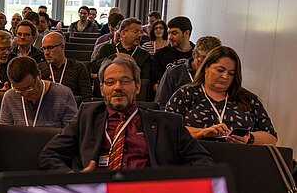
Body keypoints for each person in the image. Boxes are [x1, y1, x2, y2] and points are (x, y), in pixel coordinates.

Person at [39, 55, 213, 171]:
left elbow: (202, 161)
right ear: (101, 89)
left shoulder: (167, 123)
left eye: (125, 81)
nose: (117, 87)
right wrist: (74, 179)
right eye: (110, 82)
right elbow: (49, 155)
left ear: (137, 86)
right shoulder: (87, 115)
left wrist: (172, 188)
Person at [165, 46, 277, 144]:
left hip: (239, 157)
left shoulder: (248, 99)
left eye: (231, 73)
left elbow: (271, 138)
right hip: (194, 156)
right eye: (220, 70)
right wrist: (203, 132)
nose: (225, 76)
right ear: (206, 68)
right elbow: (167, 129)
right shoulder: (186, 94)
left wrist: (249, 138)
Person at [0, 57, 77, 128]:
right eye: (18, 89)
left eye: (29, 88)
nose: (25, 94)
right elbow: (4, 133)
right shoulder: (10, 97)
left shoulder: (63, 94)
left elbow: (72, 133)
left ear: (39, 75)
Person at [155, 36, 222, 107]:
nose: (207, 68)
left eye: (212, 64)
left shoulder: (220, 76)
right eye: (203, 63)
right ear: (194, 54)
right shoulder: (173, 73)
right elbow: (160, 105)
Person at [90, 17, 151, 84]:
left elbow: (144, 80)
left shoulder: (144, 55)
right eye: (136, 32)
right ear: (123, 33)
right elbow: (93, 68)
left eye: (141, 32)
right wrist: (115, 56)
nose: (140, 35)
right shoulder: (107, 48)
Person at [39, 32, 92, 102]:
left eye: (50, 48)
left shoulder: (78, 67)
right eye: (44, 48)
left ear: (62, 47)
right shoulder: (39, 68)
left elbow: (87, 98)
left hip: (73, 107)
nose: (46, 53)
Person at [151, 16, 194, 87]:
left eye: (174, 33)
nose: (170, 37)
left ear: (186, 33)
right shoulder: (160, 54)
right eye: (169, 33)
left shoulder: (198, 55)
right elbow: (156, 84)